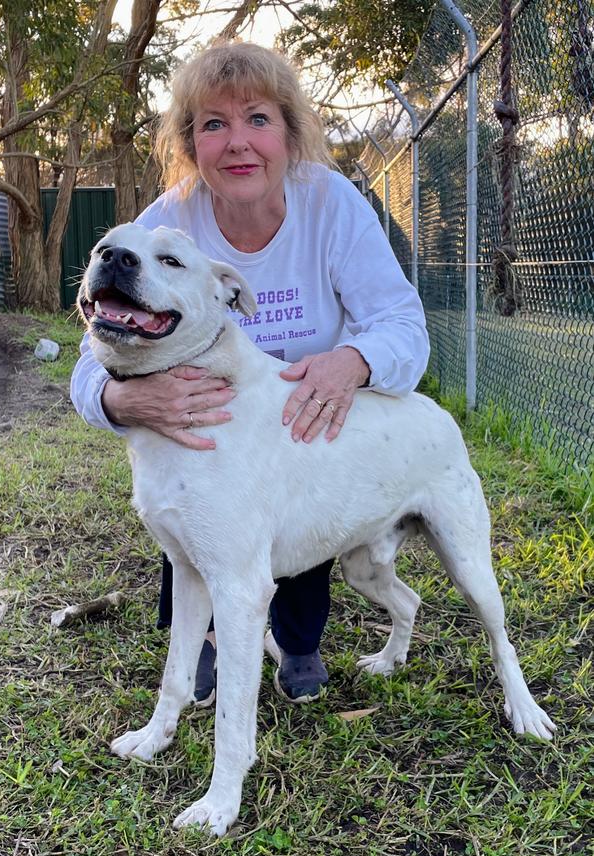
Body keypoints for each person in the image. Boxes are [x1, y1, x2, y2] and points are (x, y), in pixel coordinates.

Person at [71, 41, 429, 706]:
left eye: (258, 119)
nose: (238, 143)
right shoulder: (163, 226)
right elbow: (86, 365)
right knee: (199, 500)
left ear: (290, 134)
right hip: (209, 433)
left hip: (299, 419)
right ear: (191, 144)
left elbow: (403, 325)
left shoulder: (333, 205)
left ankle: (298, 641)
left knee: (303, 498)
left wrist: (352, 361)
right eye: (213, 124)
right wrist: (126, 397)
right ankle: (208, 641)